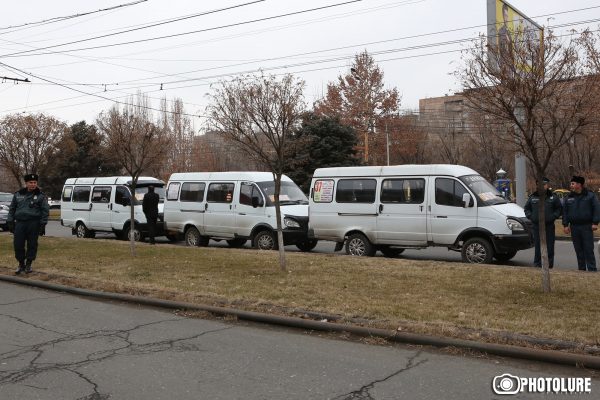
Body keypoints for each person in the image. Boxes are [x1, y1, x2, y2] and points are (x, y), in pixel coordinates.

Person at [7, 173, 49, 274]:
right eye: (31, 182)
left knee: (32, 244)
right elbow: (12, 209)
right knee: (18, 244)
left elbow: (45, 211)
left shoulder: (40, 196)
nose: (33, 184)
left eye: (35, 182)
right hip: (20, 223)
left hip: (33, 223)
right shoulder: (18, 194)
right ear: (26, 183)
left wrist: (43, 224)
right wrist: (10, 221)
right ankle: (21, 264)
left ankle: (29, 264)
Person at [562, 176, 600, 271]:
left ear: (579, 185)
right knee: (578, 250)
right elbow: (565, 212)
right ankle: (581, 270)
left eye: (573, 183)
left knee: (588, 249)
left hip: (586, 226)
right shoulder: (569, 197)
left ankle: (592, 270)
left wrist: (595, 222)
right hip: (574, 227)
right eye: (571, 184)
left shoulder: (590, 196)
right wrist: (565, 225)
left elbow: (597, 209)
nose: (571, 185)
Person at [524, 177, 562, 268]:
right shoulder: (533, 197)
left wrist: (553, 216)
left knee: (549, 247)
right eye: (540, 185)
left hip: (548, 226)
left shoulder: (553, 197)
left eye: (544, 184)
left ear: (547, 185)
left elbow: (559, 209)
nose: (543, 186)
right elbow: (527, 209)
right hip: (536, 226)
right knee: (538, 247)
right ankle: (537, 264)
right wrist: (531, 216)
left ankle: (548, 266)